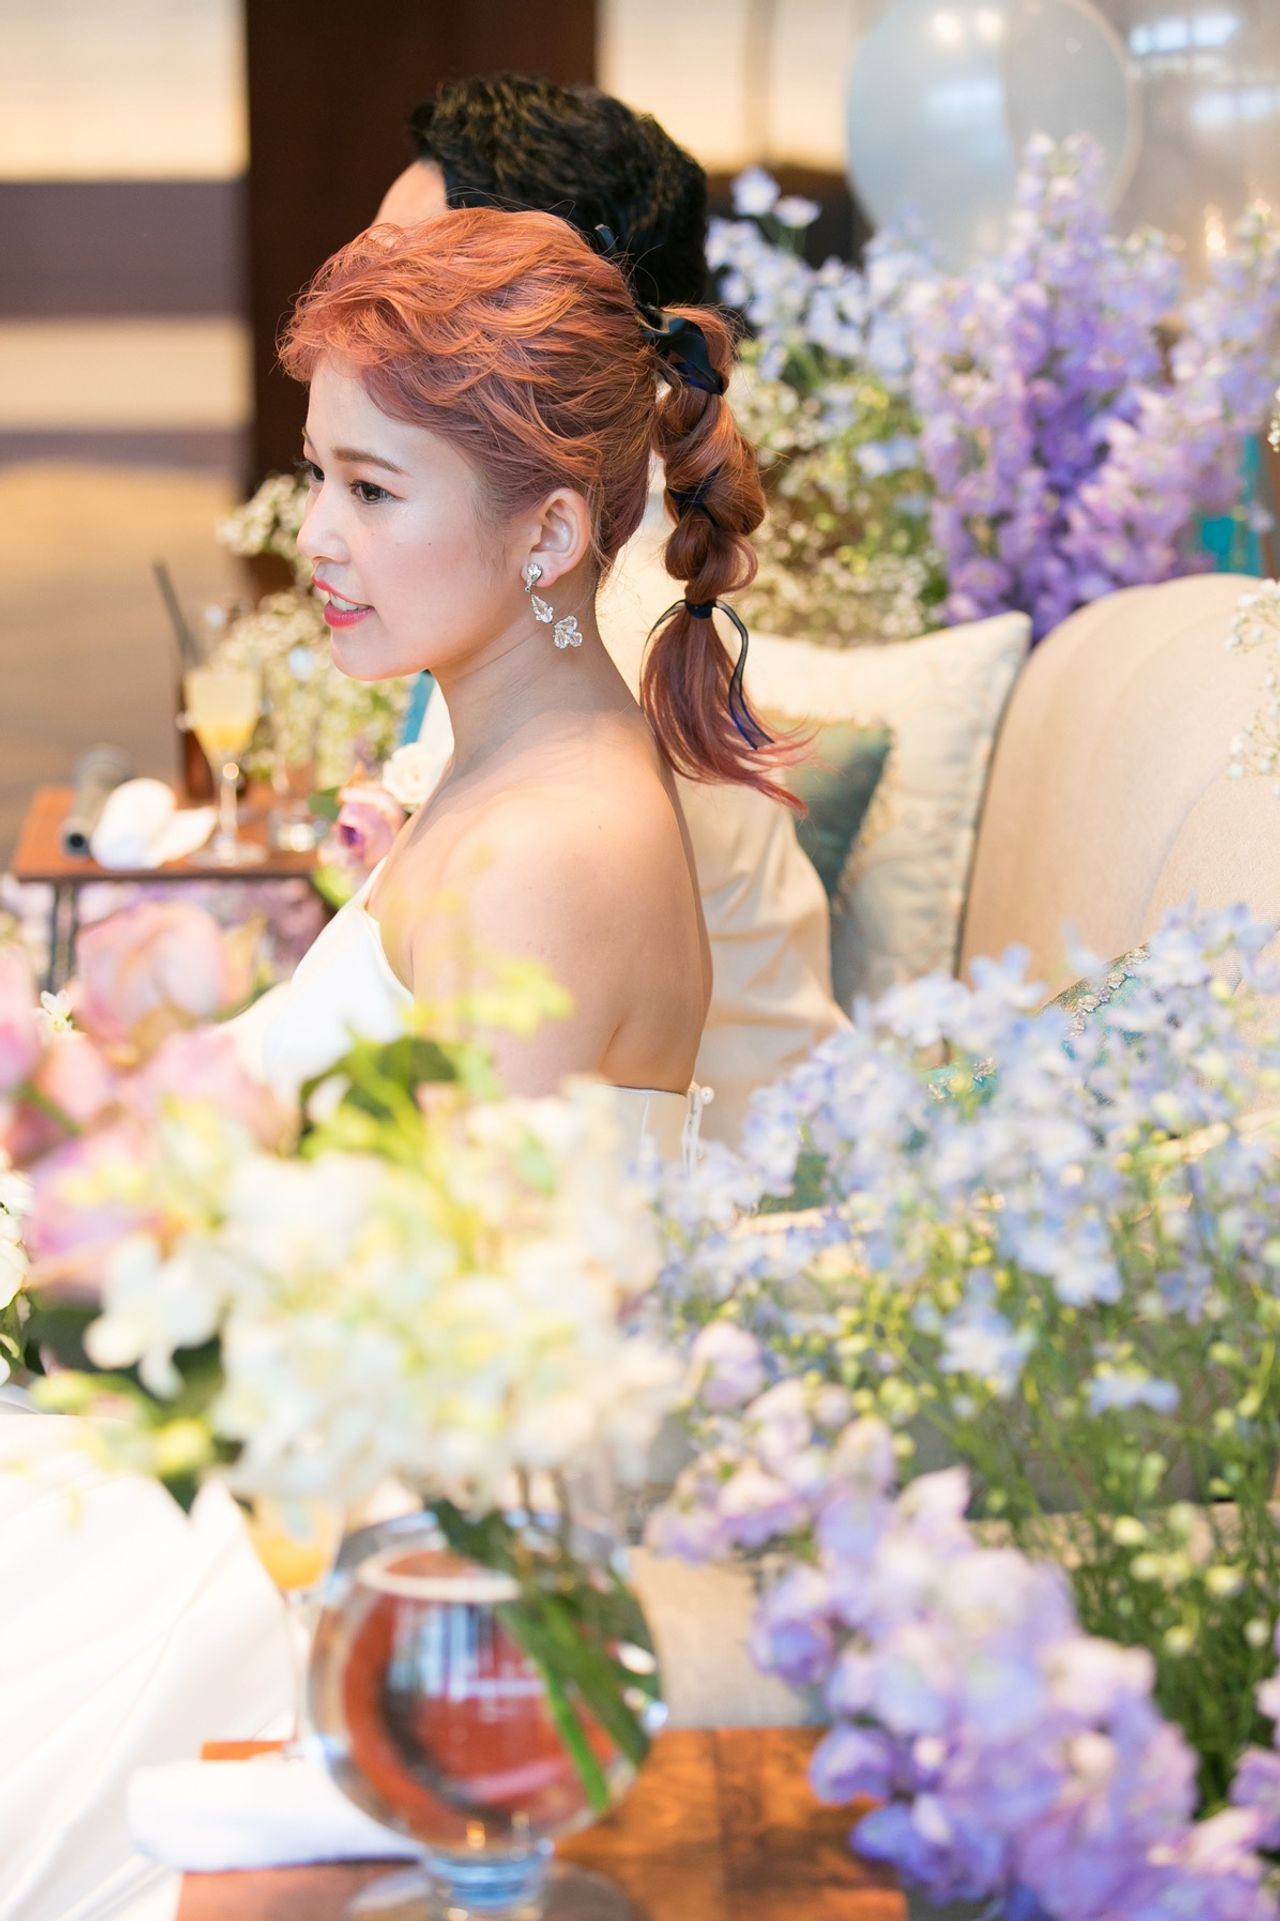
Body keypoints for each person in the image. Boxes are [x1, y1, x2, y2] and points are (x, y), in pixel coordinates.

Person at [259, 207, 799, 1159]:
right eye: (316, 474)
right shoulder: (525, 757)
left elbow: (458, 1244)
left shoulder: (542, 854)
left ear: (548, 534)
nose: (314, 537)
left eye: (371, 490)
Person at [373, 75, 848, 1144]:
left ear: (534, 300)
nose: (363, 310)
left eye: (406, 279)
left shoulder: (594, 617)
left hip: (727, 1184)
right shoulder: (554, 553)